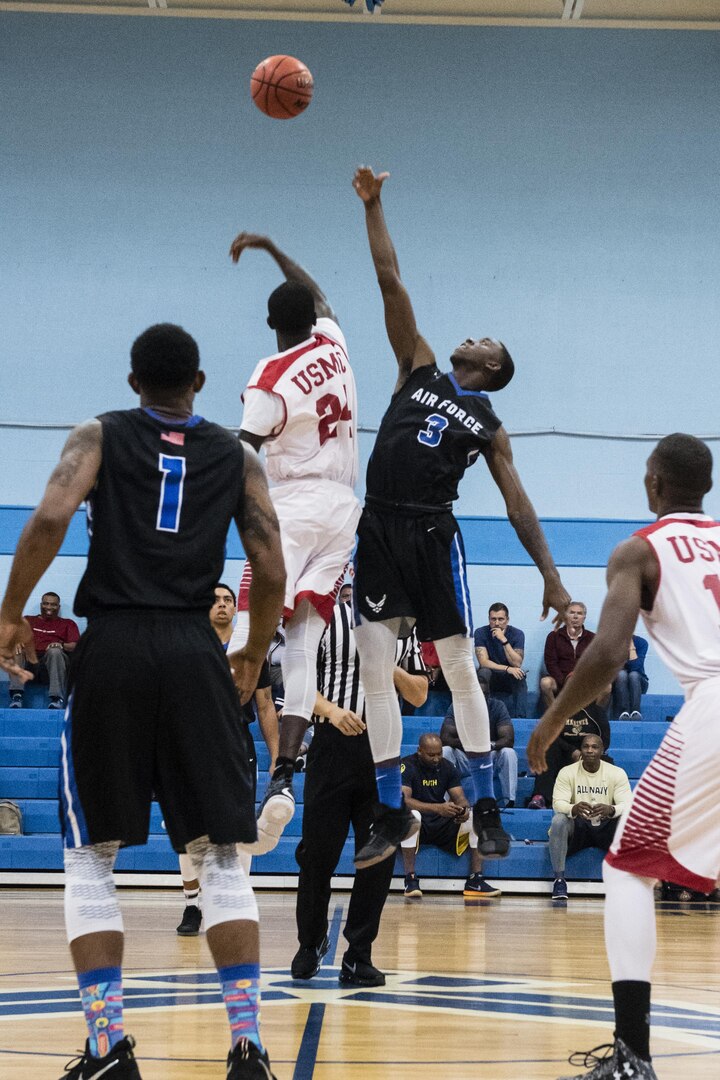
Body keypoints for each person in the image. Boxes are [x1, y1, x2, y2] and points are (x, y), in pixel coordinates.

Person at [0, 322, 286, 1080]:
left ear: (133, 383)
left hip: (116, 646)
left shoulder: (100, 434)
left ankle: (107, 1049)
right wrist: (253, 652)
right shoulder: (239, 454)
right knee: (224, 858)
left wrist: (11, 610)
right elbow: (270, 561)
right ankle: (248, 1048)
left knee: (92, 860)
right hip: (196, 650)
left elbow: (53, 517)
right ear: (198, 383)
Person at [349, 166, 571, 869]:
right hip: (377, 526)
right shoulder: (416, 367)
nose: (468, 336)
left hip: (430, 532)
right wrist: (374, 204)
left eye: (482, 338)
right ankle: (389, 810)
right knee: (374, 670)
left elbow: (517, 502)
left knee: (457, 669)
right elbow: (391, 281)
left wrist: (552, 577)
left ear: (492, 364)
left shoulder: (487, 419)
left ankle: (484, 808)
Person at [528, 433, 720, 1080]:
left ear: (654, 484)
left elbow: (609, 652)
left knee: (628, 868)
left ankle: (633, 1057)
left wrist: (551, 722)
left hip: (715, 701)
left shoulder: (639, 548)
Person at [227, 232, 360, 855]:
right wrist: (277, 248)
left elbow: (243, 454)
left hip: (294, 509)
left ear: (270, 325)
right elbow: (323, 298)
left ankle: (219, 767)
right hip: (344, 513)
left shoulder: (269, 374)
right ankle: (285, 778)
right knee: (303, 644)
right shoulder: (334, 342)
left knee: (243, 637)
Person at [292, 590, 428, 987]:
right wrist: (332, 711)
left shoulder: (405, 628)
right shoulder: (325, 621)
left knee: (378, 858)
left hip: (381, 754)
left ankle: (358, 955)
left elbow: (418, 693)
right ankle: (309, 943)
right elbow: (298, 683)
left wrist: (386, 664)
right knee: (317, 853)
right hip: (331, 748)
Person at [176, 583, 279, 937]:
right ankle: (193, 904)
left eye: (228, 601)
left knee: (239, 826)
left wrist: (278, 756)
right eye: (215, 600)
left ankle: (236, 899)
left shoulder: (252, 652)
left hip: (236, 741)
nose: (221, 605)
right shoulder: (188, 646)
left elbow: (265, 706)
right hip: (191, 742)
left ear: (237, 609)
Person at [400, 734, 501, 899]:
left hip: (440, 823)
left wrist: (463, 809)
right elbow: (404, 801)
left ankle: (475, 880)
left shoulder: (447, 767)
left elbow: (460, 797)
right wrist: (437, 808)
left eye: (439, 754)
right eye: (431, 755)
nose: (436, 759)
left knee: (476, 816)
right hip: (419, 824)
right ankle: (410, 879)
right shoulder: (407, 765)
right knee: (412, 815)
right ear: (419, 751)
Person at [548, 734, 631, 904]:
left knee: (628, 821)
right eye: (586, 746)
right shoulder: (567, 772)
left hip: (605, 824)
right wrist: (574, 807)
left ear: (602, 750)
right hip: (578, 825)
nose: (590, 750)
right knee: (558, 821)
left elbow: (628, 805)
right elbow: (558, 803)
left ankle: (628, 880)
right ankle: (559, 881)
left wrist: (611, 809)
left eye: (594, 747)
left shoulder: (616, 773)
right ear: (581, 750)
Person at [441, 678, 518, 808]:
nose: (481, 697)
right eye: (477, 693)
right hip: (465, 756)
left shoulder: (498, 706)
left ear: (489, 695)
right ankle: (444, 801)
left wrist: (487, 745)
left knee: (508, 753)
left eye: (485, 694)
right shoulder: (458, 706)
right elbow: (445, 737)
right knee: (446, 751)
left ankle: (509, 801)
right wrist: (471, 744)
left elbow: (508, 739)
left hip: (489, 755)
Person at [526, 701, 611, 809]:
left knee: (605, 760)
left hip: (587, 756)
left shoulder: (596, 712)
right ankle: (541, 797)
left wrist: (585, 753)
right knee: (547, 749)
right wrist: (572, 751)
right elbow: (549, 735)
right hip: (563, 755)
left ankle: (601, 801)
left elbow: (604, 741)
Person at [8, 591, 79, 709]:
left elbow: (76, 646)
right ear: (41, 605)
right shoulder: (28, 620)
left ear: (58, 607)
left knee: (55, 651)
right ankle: (17, 696)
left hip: (53, 668)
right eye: (46, 603)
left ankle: (56, 699)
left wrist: (61, 644)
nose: (49, 607)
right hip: (29, 668)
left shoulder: (68, 624)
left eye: (53, 604)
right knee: (17, 649)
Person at [540, 601, 598, 708]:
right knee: (545, 683)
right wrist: (564, 681)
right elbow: (550, 663)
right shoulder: (554, 636)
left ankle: (595, 717)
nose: (575, 617)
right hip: (560, 681)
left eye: (579, 613)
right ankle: (555, 715)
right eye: (572, 613)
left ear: (584, 617)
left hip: (584, 681)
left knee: (607, 687)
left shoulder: (593, 638)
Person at [473, 602, 528, 716]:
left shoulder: (517, 634)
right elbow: (483, 662)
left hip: (508, 679)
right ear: (489, 619)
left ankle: (520, 718)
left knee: (520, 675)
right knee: (483, 672)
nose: (496, 623)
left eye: (500, 619)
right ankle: (480, 715)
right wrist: (507, 668)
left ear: (507, 620)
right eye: (493, 619)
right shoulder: (481, 632)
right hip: (491, 675)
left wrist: (504, 640)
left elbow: (517, 663)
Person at [612, 635, 649, 720]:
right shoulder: (612, 643)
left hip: (638, 682)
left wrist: (631, 647)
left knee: (634, 675)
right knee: (621, 674)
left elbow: (636, 667)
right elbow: (615, 667)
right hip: (619, 683)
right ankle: (624, 712)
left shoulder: (642, 642)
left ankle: (636, 711)